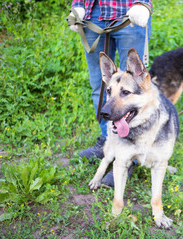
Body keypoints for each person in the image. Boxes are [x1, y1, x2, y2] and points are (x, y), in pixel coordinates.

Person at [68, 0, 152, 187]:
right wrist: (78, 5)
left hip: (129, 12)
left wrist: (143, 4)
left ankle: (130, 156)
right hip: (93, 15)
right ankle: (108, 142)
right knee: (102, 87)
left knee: (134, 89)